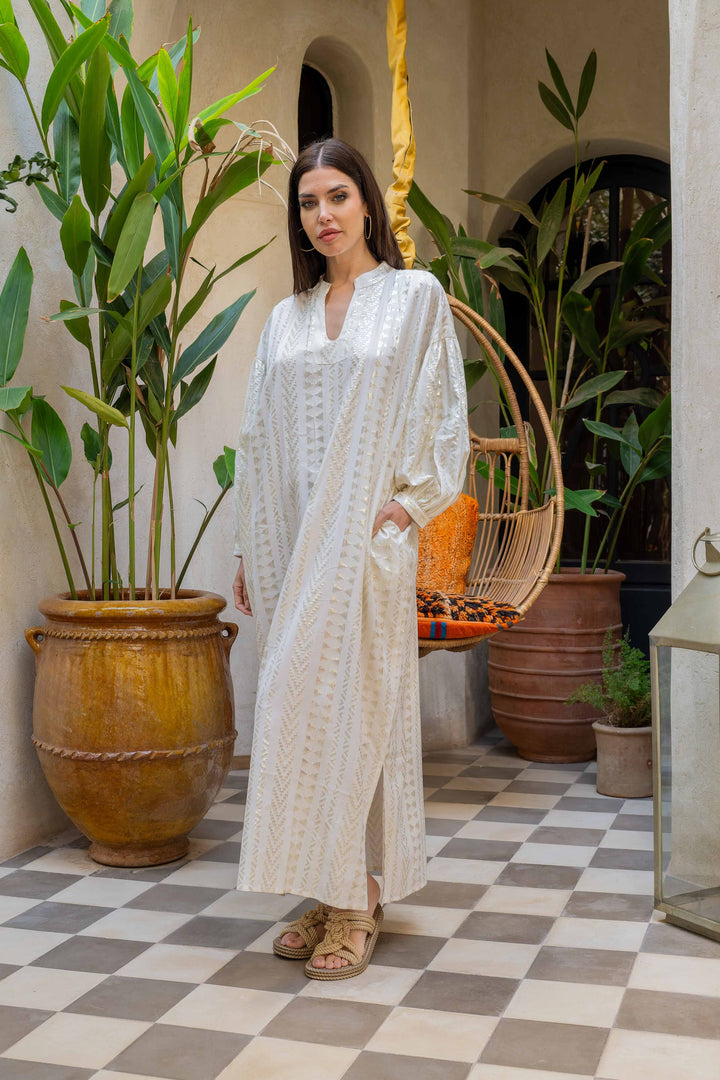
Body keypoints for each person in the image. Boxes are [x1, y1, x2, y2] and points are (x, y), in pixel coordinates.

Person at [231, 137, 469, 980]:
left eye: (337, 196)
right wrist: (249, 545)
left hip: (368, 544)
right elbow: (258, 439)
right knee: (297, 710)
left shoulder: (413, 298)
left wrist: (408, 507)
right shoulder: (285, 319)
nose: (323, 215)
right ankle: (331, 886)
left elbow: (442, 413)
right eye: (308, 202)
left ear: (367, 201)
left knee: (361, 710)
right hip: (290, 546)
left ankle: (358, 899)